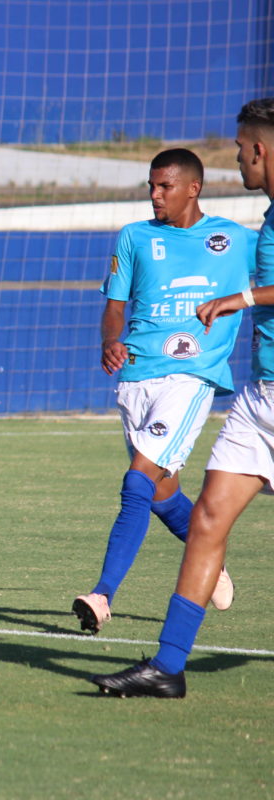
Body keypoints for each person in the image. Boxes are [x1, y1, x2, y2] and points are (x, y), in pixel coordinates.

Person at [91, 100, 274, 698]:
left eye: (243, 147)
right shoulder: (267, 219)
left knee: (149, 486)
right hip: (258, 397)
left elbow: (252, 292)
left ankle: (106, 595)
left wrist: (238, 301)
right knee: (205, 522)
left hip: (219, 385)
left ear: (262, 150)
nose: (239, 157)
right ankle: (167, 669)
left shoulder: (240, 232)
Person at [72, 148, 254, 637]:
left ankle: (101, 595)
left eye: (164, 187)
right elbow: (115, 305)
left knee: (137, 481)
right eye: (151, 187)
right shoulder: (134, 237)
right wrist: (110, 340)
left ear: (193, 188)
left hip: (190, 375)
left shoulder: (235, 240)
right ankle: (211, 567)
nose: (155, 196)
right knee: (160, 491)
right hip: (136, 376)